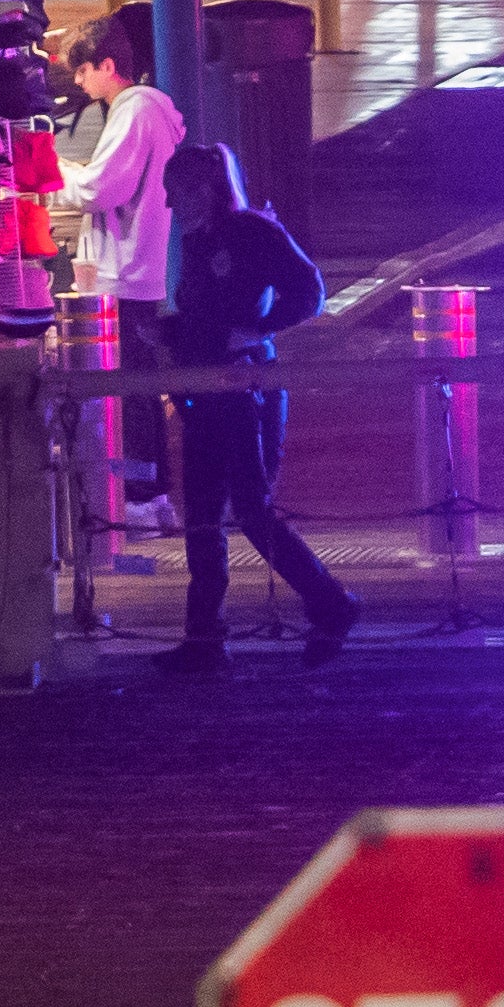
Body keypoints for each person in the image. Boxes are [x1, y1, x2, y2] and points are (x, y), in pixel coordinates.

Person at [153, 139, 361, 675]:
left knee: (249, 509)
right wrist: (165, 336)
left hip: (247, 391)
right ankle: (203, 637)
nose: (169, 204)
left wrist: (256, 331)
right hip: (210, 392)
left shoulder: (251, 232)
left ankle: (331, 603)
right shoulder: (200, 241)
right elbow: (208, 321)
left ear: (203, 189)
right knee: (202, 512)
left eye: (174, 191)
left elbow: (309, 290)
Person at [63, 17, 187, 529]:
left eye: (83, 70)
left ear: (108, 67)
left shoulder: (134, 111)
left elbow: (101, 190)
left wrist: (56, 178)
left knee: (127, 390)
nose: (77, 82)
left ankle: (138, 496)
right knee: (138, 386)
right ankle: (151, 493)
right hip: (139, 266)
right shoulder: (149, 111)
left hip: (125, 269)